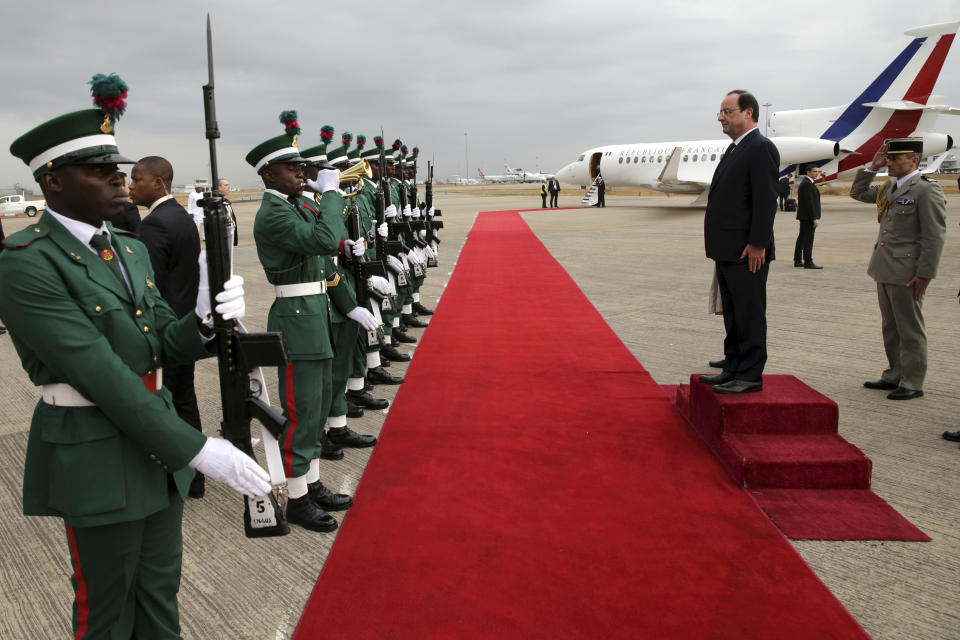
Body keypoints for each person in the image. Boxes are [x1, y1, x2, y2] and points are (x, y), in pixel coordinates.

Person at [1, 74, 268, 639]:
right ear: (52, 181)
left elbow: (156, 343)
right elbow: (99, 373)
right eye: (99, 171)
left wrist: (203, 320)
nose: (119, 181)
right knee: (107, 610)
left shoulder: (126, 248)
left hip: (154, 449)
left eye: (119, 170)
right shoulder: (27, 261)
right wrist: (199, 448)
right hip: (95, 454)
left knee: (158, 596)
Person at [250, 114, 349, 532]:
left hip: (314, 315)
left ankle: (310, 482)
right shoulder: (273, 213)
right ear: (269, 174)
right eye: (292, 169)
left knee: (318, 404)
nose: (301, 174)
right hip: (297, 319)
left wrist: (318, 195)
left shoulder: (293, 205)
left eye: (301, 168)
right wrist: (329, 195)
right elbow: (327, 239)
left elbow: (331, 242)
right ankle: (295, 497)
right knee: (302, 410)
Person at [129, 155, 207, 497]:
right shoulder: (181, 217)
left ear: (157, 184)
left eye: (137, 179)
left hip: (166, 331)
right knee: (185, 401)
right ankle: (197, 477)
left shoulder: (155, 225)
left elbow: (150, 286)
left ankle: (180, 478)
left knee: (169, 404)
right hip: (185, 325)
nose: (131, 186)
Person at [850, 138, 947, 400]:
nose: (889, 163)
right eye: (889, 158)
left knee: (910, 328)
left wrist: (925, 273)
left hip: (907, 271)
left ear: (914, 160)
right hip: (884, 266)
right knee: (890, 326)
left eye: (895, 159)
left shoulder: (926, 191)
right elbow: (857, 193)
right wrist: (872, 167)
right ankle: (894, 373)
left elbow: (934, 236)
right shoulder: (890, 186)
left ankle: (912, 381)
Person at [699, 89, 779, 394]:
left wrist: (758, 243)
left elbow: (765, 199)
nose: (721, 117)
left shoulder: (760, 148)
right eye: (720, 112)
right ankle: (733, 366)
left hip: (748, 251)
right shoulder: (735, 149)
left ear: (748, 113)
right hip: (728, 250)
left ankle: (749, 375)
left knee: (749, 313)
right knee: (732, 313)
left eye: (728, 111)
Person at [793, 163, 822, 269]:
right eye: (815, 171)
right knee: (808, 240)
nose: (817, 173)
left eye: (818, 171)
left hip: (805, 216)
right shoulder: (807, 184)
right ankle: (808, 261)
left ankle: (797, 260)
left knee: (802, 238)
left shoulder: (807, 183)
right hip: (807, 217)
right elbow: (809, 203)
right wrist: (814, 218)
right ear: (808, 172)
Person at [219, 178, 239, 246]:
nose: (228, 187)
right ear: (219, 187)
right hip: (223, 240)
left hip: (230, 237)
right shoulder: (217, 204)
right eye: (226, 185)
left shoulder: (226, 202)